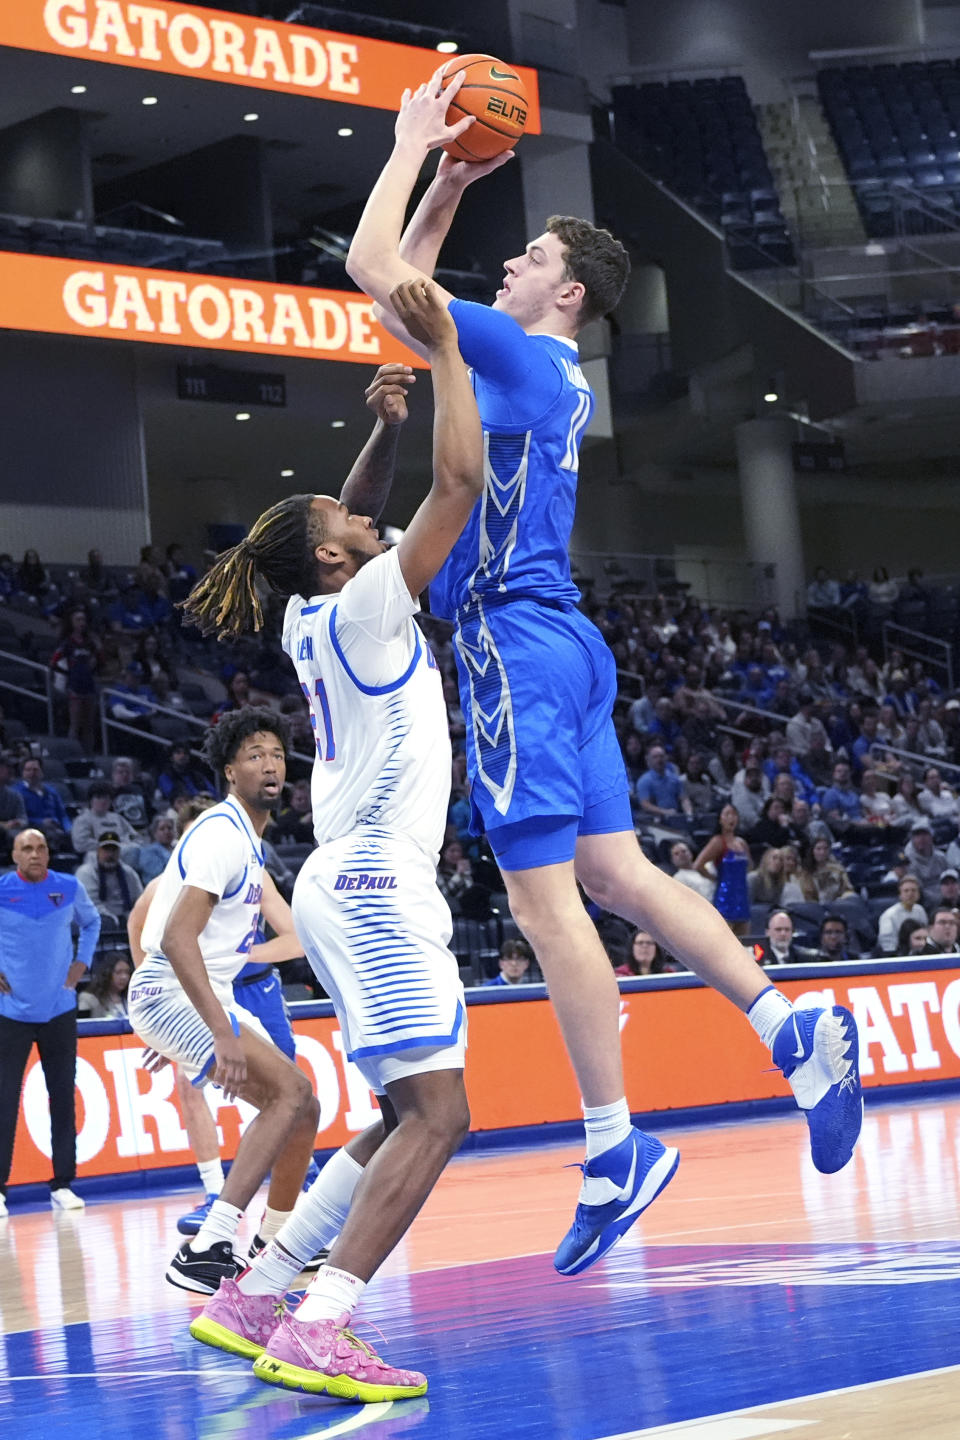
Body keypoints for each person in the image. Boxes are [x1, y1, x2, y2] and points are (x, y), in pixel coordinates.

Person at [346, 73, 862, 1287]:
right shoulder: (548, 374)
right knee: (617, 870)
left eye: (521, 255)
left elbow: (375, 272)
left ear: (563, 292)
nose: (504, 268)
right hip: (566, 639)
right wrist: (458, 190)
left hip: (512, 646)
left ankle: (614, 1146)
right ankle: (792, 1028)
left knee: (545, 906)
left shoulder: (521, 360)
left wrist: (415, 148)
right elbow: (409, 318)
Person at [178, 290, 484, 1399]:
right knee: (442, 1115)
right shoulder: (363, 609)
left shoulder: (316, 613)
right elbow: (459, 489)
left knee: (404, 1110)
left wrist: (384, 432)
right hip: (372, 880)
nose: (371, 519)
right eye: (353, 522)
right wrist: (447, 360)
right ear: (331, 552)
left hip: (338, 883)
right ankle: (324, 1322)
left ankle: (259, 1293)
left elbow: (355, 514)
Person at [127, 708, 320, 1295]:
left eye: (278, 755)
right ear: (229, 770)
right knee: (287, 1094)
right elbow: (170, 937)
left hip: (193, 995)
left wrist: (190, 1027)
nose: (270, 765)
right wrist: (215, 1030)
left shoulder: (247, 840)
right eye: (255, 755)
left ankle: (279, 1241)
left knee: (303, 1105)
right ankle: (208, 1247)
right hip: (173, 990)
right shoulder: (221, 835)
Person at [0, 829, 101, 1215]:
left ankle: (62, 1184)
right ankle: (0, 1189)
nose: (36, 854)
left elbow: (91, 925)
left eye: (41, 847)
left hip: (59, 1008)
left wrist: (81, 965)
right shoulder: (2, 889)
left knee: (62, 1098)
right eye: (27, 848)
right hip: (10, 1013)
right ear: (14, 855)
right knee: (4, 1101)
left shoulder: (69, 886)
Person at [693, 804, 752, 935]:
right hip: (725, 898)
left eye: (734, 814)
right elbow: (697, 865)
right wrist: (715, 878)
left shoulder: (742, 843)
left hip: (742, 897)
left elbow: (750, 865)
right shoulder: (718, 842)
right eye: (727, 814)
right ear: (720, 819)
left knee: (746, 943)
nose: (731, 818)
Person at [75, 831, 143, 927]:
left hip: (126, 917)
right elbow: (90, 905)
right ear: (98, 851)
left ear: (119, 852)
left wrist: (132, 917)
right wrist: (113, 919)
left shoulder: (129, 873)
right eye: (106, 850)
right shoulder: (86, 872)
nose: (110, 855)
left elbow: (140, 900)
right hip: (99, 919)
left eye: (114, 850)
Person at [15, 756, 71, 850]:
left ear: (41, 772)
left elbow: (62, 815)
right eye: (28, 770)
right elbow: (20, 818)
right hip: (33, 830)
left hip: (57, 829)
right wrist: (41, 822)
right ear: (23, 773)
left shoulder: (51, 792)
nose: (32, 773)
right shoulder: (16, 792)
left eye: (35, 770)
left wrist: (68, 829)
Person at [71, 781, 140, 857]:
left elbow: (135, 836)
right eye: (98, 797)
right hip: (98, 856)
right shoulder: (83, 819)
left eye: (107, 798)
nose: (103, 801)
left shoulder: (117, 817)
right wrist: (111, 845)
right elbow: (81, 845)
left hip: (125, 852)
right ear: (91, 800)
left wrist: (127, 841)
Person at [877, 874, 929, 954]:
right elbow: (888, 946)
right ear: (900, 895)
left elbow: (926, 935)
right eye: (906, 891)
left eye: (913, 890)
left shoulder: (920, 910)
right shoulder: (889, 915)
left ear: (919, 894)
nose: (910, 894)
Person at [78, 951, 132, 1019]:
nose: (124, 977)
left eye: (127, 972)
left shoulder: (131, 998)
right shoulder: (88, 998)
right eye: (118, 972)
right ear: (107, 974)